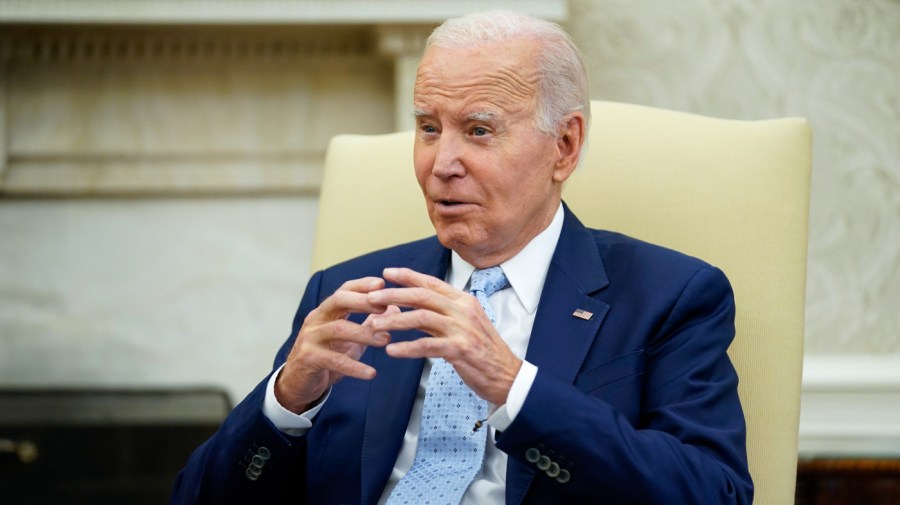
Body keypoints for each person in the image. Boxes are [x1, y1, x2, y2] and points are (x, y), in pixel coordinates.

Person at [173, 10, 752, 505]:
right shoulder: (352, 290)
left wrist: (513, 386)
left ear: (565, 146)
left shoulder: (669, 295)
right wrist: (285, 401)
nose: (441, 163)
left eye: (478, 131)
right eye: (428, 128)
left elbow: (714, 491)